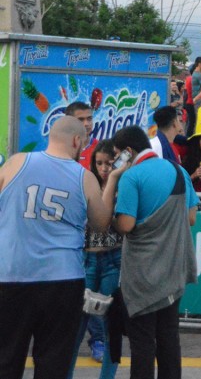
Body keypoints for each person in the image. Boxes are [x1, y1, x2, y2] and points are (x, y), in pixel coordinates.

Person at [0, 117, 112, 379]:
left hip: (12, 273)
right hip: (62, 279)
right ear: (76, 141)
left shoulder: (17, 162)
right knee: (53, 362)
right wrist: (112, 180)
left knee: (6, 358)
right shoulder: (84, 177)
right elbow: (100, 225)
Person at [110, 125, 198, 379]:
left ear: (128, 151)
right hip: (174, 266)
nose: (117, 160)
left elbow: (126, 225)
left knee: (143, 341)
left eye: (118, 154)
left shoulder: (131, 177)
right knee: (169, 335)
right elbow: (191, 218)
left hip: (142, 273)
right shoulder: (179, 170)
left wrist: (112, 217)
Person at [66, 141, 122, 378]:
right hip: (87, 259)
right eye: (99, 163)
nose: (104, 168)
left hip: (114, 259)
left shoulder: (123, 186)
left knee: (113, 327)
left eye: (109, 164)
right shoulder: (85, 185)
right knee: (76, 326)